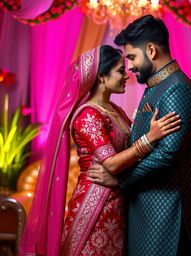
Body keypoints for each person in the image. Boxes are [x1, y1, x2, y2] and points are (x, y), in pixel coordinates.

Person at [19, 45, 181, 256]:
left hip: (117, 199)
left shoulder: (116, 110)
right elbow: (112, 163)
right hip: (95, 202)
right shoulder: (87, 115)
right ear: (102, 77)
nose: (126, 75)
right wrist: (149, 138)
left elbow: (129, 153)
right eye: (120, 70)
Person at [88, 15, 191, 256]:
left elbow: (167, 155)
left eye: (132, 57)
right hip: (148, 208)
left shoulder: (177, 88)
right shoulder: (156, 87)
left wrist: (120, 180)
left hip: (169, 214)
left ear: (152, 50)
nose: (130, 67)